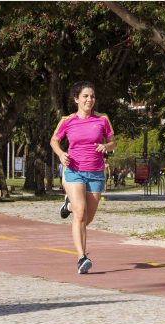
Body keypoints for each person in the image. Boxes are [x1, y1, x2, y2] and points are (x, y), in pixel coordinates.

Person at [49, 81, 115, 274]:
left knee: (88, 218)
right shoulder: (67, 120)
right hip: (74, 171)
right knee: (80, 213)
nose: (89, 100)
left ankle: (67, 206)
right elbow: (54, 140)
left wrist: (106, 147)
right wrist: (61, 154)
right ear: (76, 99)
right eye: (85, 96)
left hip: (95, 172)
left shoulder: (103, 119)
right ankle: (81, 257)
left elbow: (112, 142)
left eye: (92, 96)